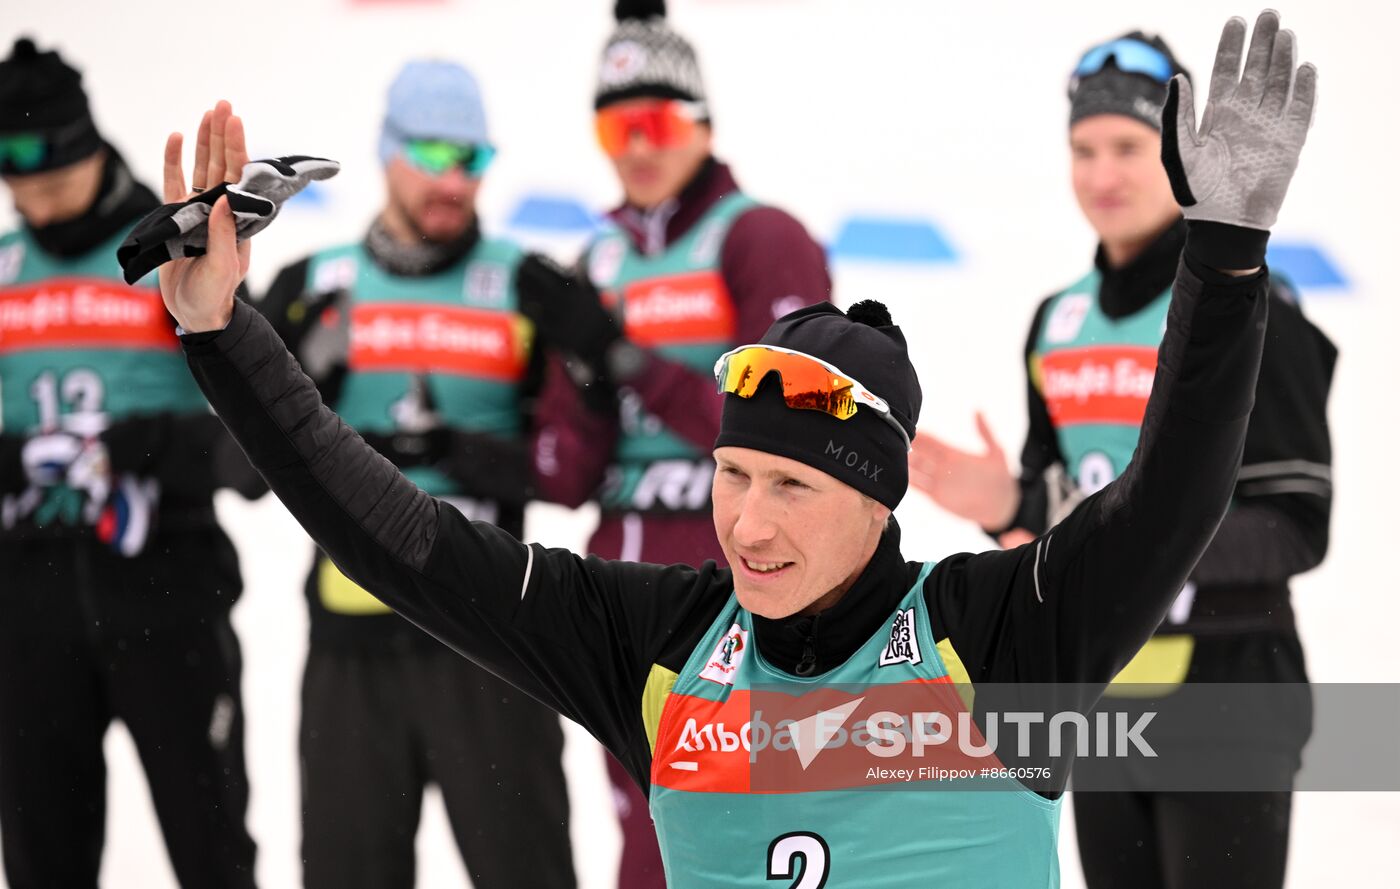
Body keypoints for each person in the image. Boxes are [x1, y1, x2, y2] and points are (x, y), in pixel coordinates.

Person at [150, 11, 1315, 886]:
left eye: (793, 487)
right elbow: (402, 540)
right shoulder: (660, 644)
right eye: (734, 475)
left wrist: (1218, 268)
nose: (747, 526)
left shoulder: (1000, 640)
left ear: (878, 497)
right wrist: (218, 332)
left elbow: (1169, 501)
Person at [910, 28, 1335, 889]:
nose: (1103, 174)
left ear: (1179, 156)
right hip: (1097, 695)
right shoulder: (1056, 321)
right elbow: (1063, 512)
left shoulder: (1254, 306)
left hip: (1229, 691)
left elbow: (1296, 523)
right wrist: (1008, 503)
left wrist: (1130, 540)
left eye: (1130, 148)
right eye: (1084, 149)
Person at [516, 1, 831, 882]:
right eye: (613, 126)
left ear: (700, 122)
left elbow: (792, 433)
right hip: (624, 576)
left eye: (653, 122)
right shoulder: (601, 261)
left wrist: (621, 355)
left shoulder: (759, 236)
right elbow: (571, 474)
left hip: (740, 573)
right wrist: (577, 376)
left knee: (749, 824)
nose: (634, 147)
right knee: (646, 831)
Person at [256, 60, 575, 889]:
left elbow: (579, 467)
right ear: (388, 151)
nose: (454, 179)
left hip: (496, 645)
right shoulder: (317, 288)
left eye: (473, 158)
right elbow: (238, 470)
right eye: (433, 152)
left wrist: (463, 453)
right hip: (353, 651)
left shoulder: (525, 285)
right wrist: (305, 388)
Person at [0, 38, 260, 889]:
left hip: (167, 588)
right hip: (27, 600)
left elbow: (258, 436)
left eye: (51, 172)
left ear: (89, 144)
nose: (33, 193)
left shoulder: (167, 243)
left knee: (209, 843)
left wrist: (147, 448)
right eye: (14, 176)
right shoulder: (5, 266)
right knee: (43, 855)